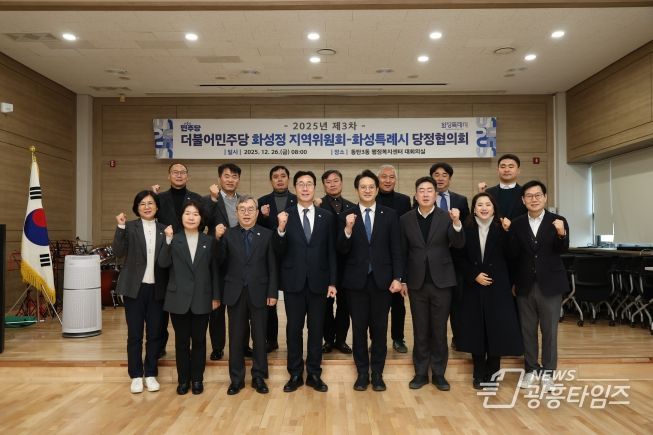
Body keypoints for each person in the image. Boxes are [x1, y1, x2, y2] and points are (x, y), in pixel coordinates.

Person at [337, 170, 403, 392]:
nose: (367, 190)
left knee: (380, 330)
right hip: (355, 283)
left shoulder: (390, 214)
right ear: (357, 189)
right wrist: (347, 229)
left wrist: (398, 277)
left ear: (377, 189)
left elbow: (396, 249)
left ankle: (377, 373)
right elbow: (341, 250)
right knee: (358, 330)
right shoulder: (346, 215)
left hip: (382, 282)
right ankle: (362, 373)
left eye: (371, 187)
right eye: (363, 187)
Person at [274, 170, 337, 393]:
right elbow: (278, 251)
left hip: (319, 282)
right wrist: (280, 230)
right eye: (301, 184)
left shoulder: (326, 216)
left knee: (316, 330)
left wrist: (332, 281)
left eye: (309, 184)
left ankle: (314, 373)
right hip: (294, 282)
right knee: (294, 330)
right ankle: (294, 374)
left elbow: (331, 252)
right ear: (295, 188)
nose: (305, 188)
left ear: (314, 188)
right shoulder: (285, 215)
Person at [453, 192, 523, 389]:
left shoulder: (503, 228)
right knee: (476, 330)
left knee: (496, 329)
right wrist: (474, 274)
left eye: (488, 205)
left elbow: (514, 255)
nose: (484, 208)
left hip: (498, 286)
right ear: (473, 209)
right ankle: (478, 373)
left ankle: (492, 374)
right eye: (479, 205)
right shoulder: (465, 228)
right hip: (473, 285)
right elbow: (458, 257)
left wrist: (509, 232)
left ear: (494, 208)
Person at [400, 176, 464, 391]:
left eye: (430, 190)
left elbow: (459, 244)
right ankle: (420, 373)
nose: (426, 194)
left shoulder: (447, 217)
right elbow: (402, 252)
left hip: (442, 281)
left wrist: (457, 223)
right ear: (415, 195)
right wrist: (402, 279)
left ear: (436, 195)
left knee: (439, 329)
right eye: (422, 190)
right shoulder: (405, 219)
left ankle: (438, 373)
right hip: (416, 282)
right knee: (420, 329)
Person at [507, 180, 569, 393]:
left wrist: (561, 234)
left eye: (538, 195)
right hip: (524, 285)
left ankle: (549, 373)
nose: (534, 199)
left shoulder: (558, 221)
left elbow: (562, 249)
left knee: (549, 331)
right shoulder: (517, 224)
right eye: (529, 196)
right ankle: (531, 369)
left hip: (550, 285)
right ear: (523, 200)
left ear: (545, 197)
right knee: (528, 330)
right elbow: (513, 256)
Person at [214, 196, 278, 395]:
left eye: (251, 209)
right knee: (236, 338)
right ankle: (236, 379)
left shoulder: (267, 234)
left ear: (257, 213)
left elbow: (272, 266)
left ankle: (259, 377)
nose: (247, 213)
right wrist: (217, 239)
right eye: (242, 209)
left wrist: (272, 292)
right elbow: (219, 262)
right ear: (236, 213)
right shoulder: (227, 234)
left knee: (260, 337)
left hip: (260, 292)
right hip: (235, 293)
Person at [158, 201, 220, 396]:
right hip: (178, 299)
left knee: (200, 341)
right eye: (187, 213)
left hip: (202, 298)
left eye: (195, 214)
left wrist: (216, 296)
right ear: (181, 217)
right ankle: (183, 380)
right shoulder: (173, 239)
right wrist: (167, 240)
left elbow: (214, 271)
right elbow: (163, 263)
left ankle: (198, 379)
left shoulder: (209, 241)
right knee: (181, 342)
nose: (191, 217)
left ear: (201, 219)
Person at [112, 190, 167, 394]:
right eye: (142, 203)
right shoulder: (129, 227)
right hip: (134, 288)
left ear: (157, 207)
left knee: (155, 334)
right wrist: (120, 227)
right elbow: (118, 252)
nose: (147, 207)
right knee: (134, 334)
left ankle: (150, 373)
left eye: (150, 203)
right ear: (136, 208)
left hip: (157, 289)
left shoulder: (164, 229)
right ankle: (136, 375)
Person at [151, 163, 203, 358]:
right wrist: (152, 196)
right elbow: (149, 216)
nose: (179, 175)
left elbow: (201, 223)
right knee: (163, 303)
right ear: (169, 176)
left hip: (189, 255)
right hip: (165, 252)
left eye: (182, 173)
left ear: (187, 176)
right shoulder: (159, 198)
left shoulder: (196, 198)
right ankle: (160, 345)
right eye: (175, 172)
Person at [202, 163, 244, 361]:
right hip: (216, 258)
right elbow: (203, 222)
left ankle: (243, 345)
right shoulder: (209, 199)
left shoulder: (244, 201)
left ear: (238, 180)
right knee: (217, 306)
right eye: (227, 176)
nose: (230, 180)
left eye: (234, 176)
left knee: (242, 306)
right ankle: (218, 347)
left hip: (240, 259)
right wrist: (212, 199)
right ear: (219, 178)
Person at [428, 162, 470, 351]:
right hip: (433, 259)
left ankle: (459, 338)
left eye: (444, 175)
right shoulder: (423, 198)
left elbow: (466, 227)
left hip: (456, 258)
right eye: (436, 174)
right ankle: (435, 340)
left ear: (450, 178)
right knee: (435, 304)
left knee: (458, 301)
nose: (440, 178)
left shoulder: (460, 200)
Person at [257, 165, 297, 353]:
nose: (279, 179)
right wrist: (264, 217)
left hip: (292, 256)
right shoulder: (262, 202)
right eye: (275, 176)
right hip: (269, 258)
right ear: (271, 180)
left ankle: (293, 341)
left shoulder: (298, 200)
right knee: (269, 301)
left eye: (283, 176)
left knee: (293, 303)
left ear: (288, 179)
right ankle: (271, 340)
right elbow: (257, 229)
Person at [376, 164, 411, 354]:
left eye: (391, 177)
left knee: (398, 305)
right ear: (378, 179)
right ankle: (376, 340)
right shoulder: (371, 198)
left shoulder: (404, 201)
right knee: (376, 307)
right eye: (384, 177)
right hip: (377, 260)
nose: (388, 180)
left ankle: (398, 338)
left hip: (398, 257)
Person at [318, 169, 354, 355]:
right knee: (325, 305)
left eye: (335, 181)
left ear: (341, 182)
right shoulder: (318, 206)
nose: (332, 184)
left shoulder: (352, 207)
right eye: (328, 181)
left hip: (347, 264)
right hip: (324, 264)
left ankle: (341, 340)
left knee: (344, 305)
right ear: (323, 185)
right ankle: (328, 340)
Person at [478, 154, 527, 220]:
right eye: (503, 167)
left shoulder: (525, 192)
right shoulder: (488, 193)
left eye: (511, 167)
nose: (506, 170)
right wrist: (481, 196)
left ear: (518, 171)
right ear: (498, 171)